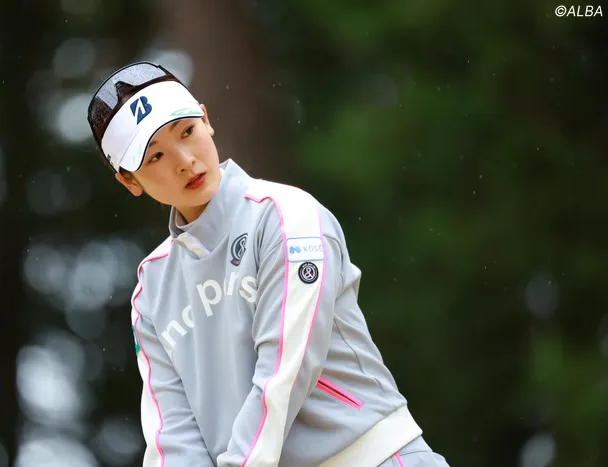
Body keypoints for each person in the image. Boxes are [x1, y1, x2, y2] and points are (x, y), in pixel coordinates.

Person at [86, 61, 450, 467]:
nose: (185, 160)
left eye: (186, 131)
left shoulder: (287, 217)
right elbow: (172, 435)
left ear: (206, 119)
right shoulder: (151, 289)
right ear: (129, 181)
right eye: (155, 156)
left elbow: (282, 377)